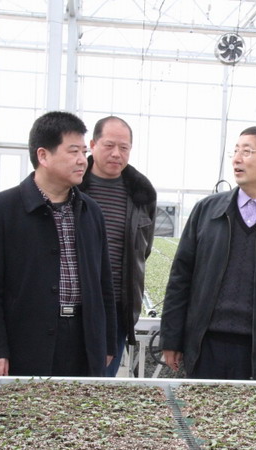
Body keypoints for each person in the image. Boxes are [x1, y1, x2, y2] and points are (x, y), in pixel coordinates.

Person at [160, 126, 256, 381]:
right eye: (235, 151)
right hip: (205, 346)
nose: (236, 159)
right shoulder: (207, 211)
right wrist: (171, 338)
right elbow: (180, 279)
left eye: (247, 152)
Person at [0, 111, 116, 380]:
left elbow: (104, 282)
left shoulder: (90, 211)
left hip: (83, 340)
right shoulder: (3, 209)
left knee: (81, 405)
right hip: (27, 342)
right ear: (43, 156)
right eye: (73, 151)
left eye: (83, 152)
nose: (82, 160)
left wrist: (107, 341)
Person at [79, 116, 157, 377]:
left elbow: (143, 249)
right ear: (92, 145)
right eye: (109, 145)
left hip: (116, 307)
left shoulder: (142, 193)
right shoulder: (73, 186)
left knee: (102, 383)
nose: (116, 154)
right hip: (74, 304)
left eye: (124, 148)